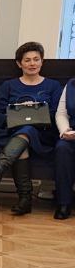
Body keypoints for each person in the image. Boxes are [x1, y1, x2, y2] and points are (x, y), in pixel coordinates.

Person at [0, 42, 63, 215]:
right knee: (24, 136)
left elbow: (56, 114)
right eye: (27, 60)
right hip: (12, 132)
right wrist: (18, 111)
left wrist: (35, 111)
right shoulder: (9, 85)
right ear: (19, 64)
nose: (32, 63)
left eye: (36, 59)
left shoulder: (53, 86)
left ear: (42, 61)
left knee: (27, 130)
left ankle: (2, 166)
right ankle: (24, 200)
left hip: (43, 135)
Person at [53, 75, 75, 220]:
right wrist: (65, 131)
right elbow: (61, 114)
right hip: (72, 134)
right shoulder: (72, 84)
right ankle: (64, 202)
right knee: (62, 148)